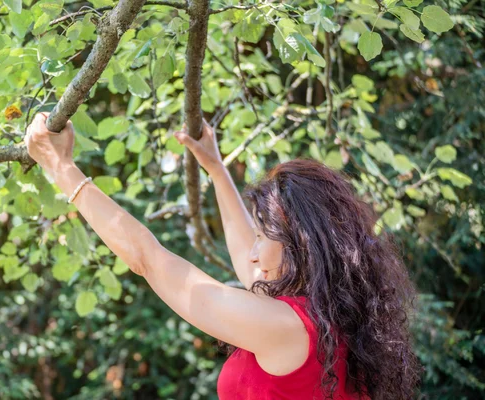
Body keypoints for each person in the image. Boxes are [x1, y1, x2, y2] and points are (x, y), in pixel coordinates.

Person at [25, 113, 421, 399]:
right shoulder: (330, 316)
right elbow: (247, 253)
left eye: (264, 234)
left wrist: (61, 168)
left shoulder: (287, 327)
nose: (253, 252)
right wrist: (216, 169)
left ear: (301, 245)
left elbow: (148, 257)